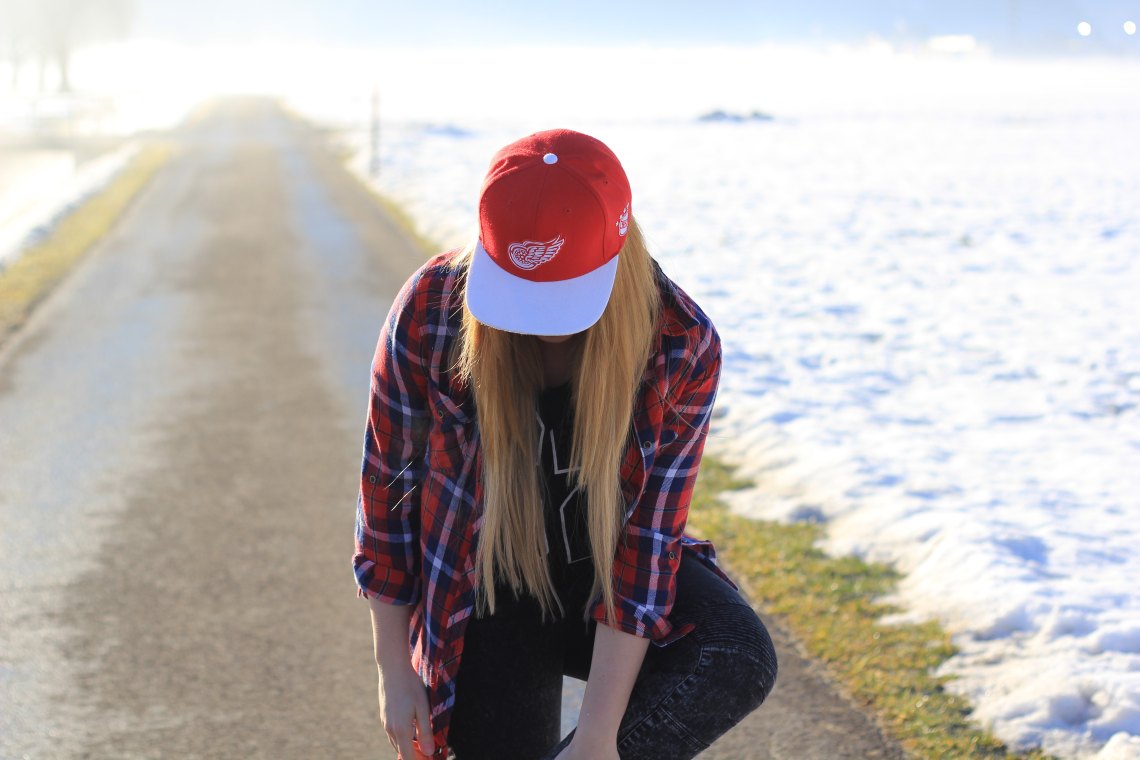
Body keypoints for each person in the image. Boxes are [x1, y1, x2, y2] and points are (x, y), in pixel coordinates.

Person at [353, 129, 778, 760]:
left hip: (605, 585)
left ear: (618, 254)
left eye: (563, 296)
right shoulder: (431, 310)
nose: (540, 324)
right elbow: (386, 498)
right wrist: (394, 668)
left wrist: (600, 738)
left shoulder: (680, 344)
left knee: (733, 652)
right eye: (523, 295)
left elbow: (645, 548)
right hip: (490, 589)